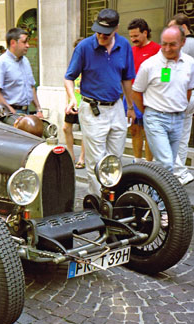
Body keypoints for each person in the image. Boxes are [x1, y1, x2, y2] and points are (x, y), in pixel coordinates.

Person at [64, 8, 135, 195]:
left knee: (115, 158)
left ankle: (113, 197)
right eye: (98, 31)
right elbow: (69, 77)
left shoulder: (124, 45)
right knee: (96, 160)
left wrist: (131, 107)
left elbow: (127, 79)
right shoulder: (85, 47)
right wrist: (72, 98)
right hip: (93, 109)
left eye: (106, 33)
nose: (101, 36)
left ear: (116, 28)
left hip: (117, 107)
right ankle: (98, 203)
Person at [131, 26, 194, 173]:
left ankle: (157, 195)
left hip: (178, 118)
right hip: (156, 118)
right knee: (166, 163)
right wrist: (147, 113)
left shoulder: (190, 63)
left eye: (172, 44)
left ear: (183, 42)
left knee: (170, 164)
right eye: (164, 44)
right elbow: (136, 92)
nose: (167, 48)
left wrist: (182, 108)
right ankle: (158, 196)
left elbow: (189, 89)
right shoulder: (149, 65)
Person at [168, 13, 194, 185]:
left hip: (177, 96)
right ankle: (177, 175)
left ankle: (179, 172)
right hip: (192, 96)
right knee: (182, 138)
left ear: (183, 28)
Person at [0, 28, 43, 117]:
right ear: (13, 43)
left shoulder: (25, 61)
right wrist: (11, 111)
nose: (28, 45)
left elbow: (31, 86)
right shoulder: (0, 63)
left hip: (27, 112)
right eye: (24, 42)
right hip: (10, 114)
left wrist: (38, 109)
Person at [128, 18, 160, 162]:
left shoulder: (157, 49)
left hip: (150, 96)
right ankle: (137, 161)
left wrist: (163, 87)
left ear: (145, 33)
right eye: (131, 36)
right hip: (131, 95)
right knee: (134, 129)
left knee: (149, 131)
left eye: (136, 36)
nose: (133, 39)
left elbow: (166, 72)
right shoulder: (130, 50)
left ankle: (148, 164)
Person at [62, 37, 85, 167]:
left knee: (85, 132)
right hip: (74, 102)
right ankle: (71, 155)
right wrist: (67, 102)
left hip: (85, 103)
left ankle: (82, 158)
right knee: (66, 128)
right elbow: (67, 84)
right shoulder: (73, 65)